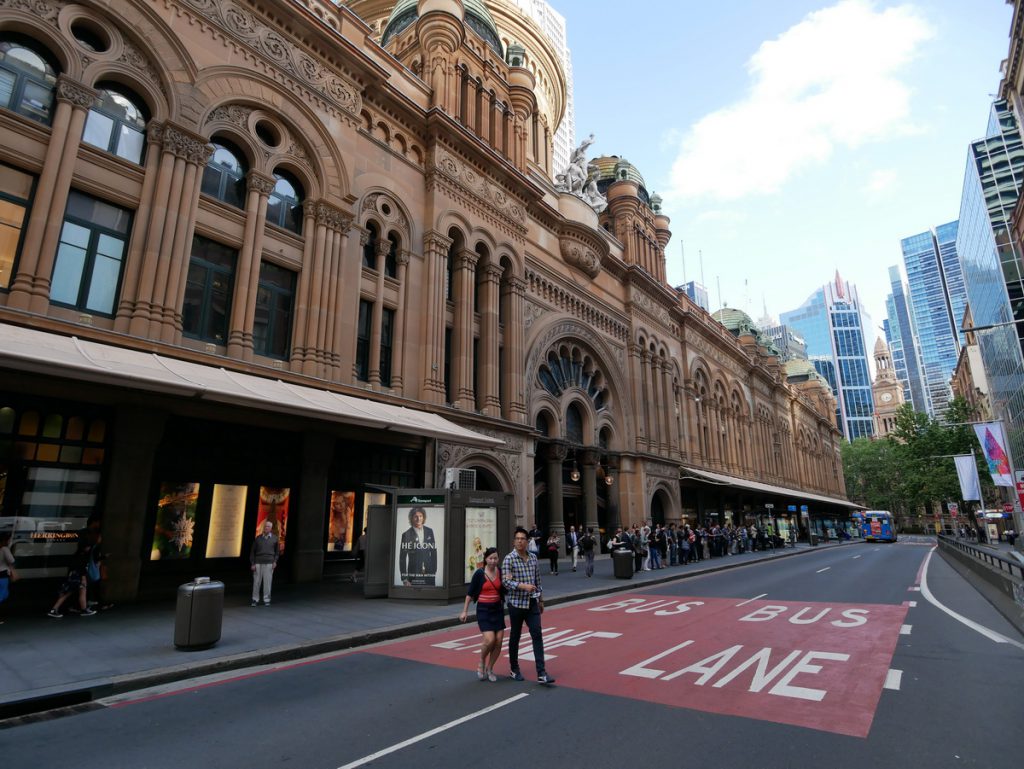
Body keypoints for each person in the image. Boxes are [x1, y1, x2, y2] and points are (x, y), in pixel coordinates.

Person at [502, 527, 555, 684]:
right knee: (515, 636)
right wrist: (522, 586)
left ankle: (541, 672)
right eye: (517, 538)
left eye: (522, 539)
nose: (520, 541)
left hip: (532, 603)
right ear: (514, 541)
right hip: (516, 604)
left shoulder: (533, 558)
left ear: (527, 541)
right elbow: (506, 581)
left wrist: (541, 600)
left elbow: (538, 581)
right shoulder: (509, 559)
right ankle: (514, 668)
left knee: (537, 634)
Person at [459, 547, 505, 682]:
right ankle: (481, 660)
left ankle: (490, 668)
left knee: (499, 641)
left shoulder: (501, 572)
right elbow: (470, 594)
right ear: (485, 559)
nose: (493, 561)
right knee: (490, 639)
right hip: (484, 610)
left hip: (497, 609)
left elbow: (505, 589)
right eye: (490, 558)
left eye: (495, 558)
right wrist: (465, 611)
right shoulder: (479, 574)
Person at [48, 531, 96, 618]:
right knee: (75, 592)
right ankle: (54, 609)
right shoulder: (83, 556)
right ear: (85, 547)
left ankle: (83, 609)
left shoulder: (77, 555)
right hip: (78, 577)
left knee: (71, 592)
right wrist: (83, 578)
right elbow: (82, 568)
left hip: (73, 576)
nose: (89, 548)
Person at [399, 507, 437, 586]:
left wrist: (434, 571)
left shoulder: (429, 531)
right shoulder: (406, 534)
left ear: (423, 517)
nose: (418, 518)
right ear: (412, 518)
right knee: (415, 596)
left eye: (420, 516)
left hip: (429, 574)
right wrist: (404, 579)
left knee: (430, 595)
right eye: (416, 516)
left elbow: (434, 552)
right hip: (414, 574)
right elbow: (402, 558)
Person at [250, 520, 279, 606]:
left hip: (269, 563)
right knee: (256, 582)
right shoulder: (258, 538)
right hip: (258, 562)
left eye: (268, 527)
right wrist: (252, 563)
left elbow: (277, 552)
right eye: (265, 526)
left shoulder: (275, 538)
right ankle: (255, 599)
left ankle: (266, 599)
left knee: (267, 582)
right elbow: (252, 552)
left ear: (271, 528)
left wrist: (275, 562)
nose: (266, 528)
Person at [0, 531, 17, 624]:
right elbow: (12, 560)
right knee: (3, 595)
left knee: (3, 594)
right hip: (2, 575)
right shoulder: (4, 549)